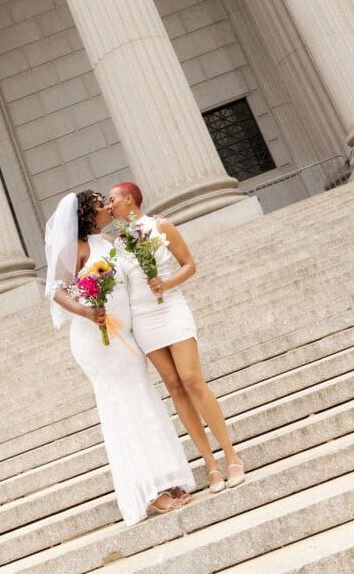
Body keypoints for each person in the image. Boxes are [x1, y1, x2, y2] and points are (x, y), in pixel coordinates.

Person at [44, 189, 195, 524]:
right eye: (101, 206)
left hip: (125, 338)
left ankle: (166, 480)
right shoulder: (76, 248)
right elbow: (55, 290)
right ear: (85, 215)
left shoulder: (109, 242)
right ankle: (147, 492)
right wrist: (85, 311)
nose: (108, 208)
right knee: (122, 409)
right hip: (98, 343)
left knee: (144, 403)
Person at [108, 181, 245, 493]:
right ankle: (209, 464)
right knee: (173, 386)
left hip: (171, 309)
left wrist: (166, 284)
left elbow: (189, 265)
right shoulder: (119, 243)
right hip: (142, 318)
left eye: (113, 199)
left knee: (192, 379)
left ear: (130, 199)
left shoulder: (161, 226)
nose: (109, 205)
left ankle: (231, 455)